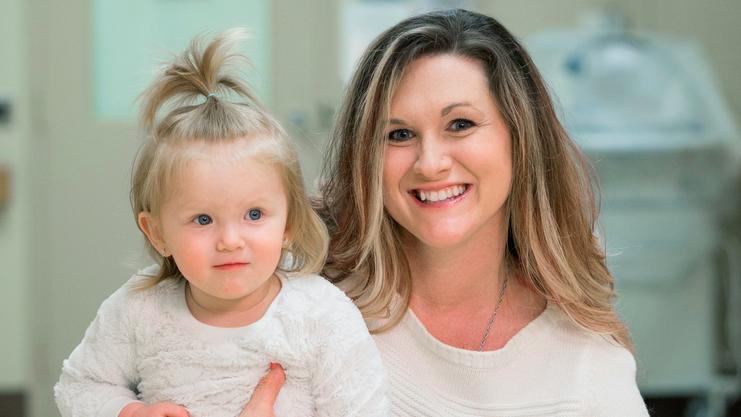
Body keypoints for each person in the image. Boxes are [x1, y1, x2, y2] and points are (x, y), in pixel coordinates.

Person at [313, 8, 650, 417]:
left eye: (460, 124)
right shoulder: (308, 309)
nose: (430, 163)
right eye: (399, 134)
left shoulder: (587, 367)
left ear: (520, 136)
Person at [53, 29, 388, 417]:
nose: (230, 240)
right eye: (203, 219)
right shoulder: (140, 311)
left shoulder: (320, 316)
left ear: (290, 224)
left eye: (254, 215)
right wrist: (129, 411)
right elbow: (80, 386)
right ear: (157, 233)